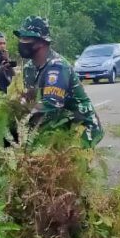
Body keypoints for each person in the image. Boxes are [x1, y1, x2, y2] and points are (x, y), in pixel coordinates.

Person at [14, 16, 103, 147]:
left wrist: (20, 111)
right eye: (21, 38)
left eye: (26, 38)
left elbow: (51, 105)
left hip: (81, 127)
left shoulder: (57, 67)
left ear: (41, 42)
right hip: (58, 124)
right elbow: (30, 98)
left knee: (69, 163)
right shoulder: (29, 68)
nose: (22, 42)